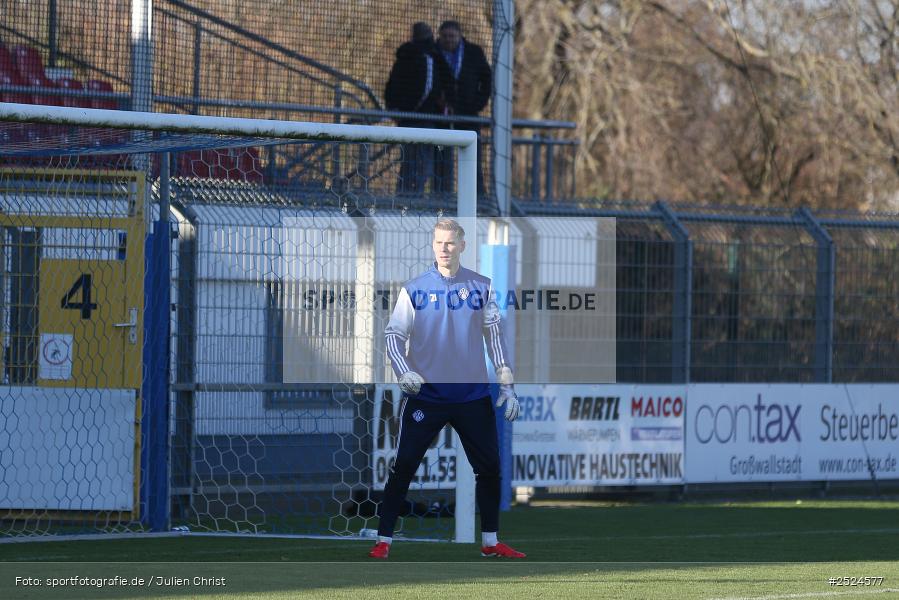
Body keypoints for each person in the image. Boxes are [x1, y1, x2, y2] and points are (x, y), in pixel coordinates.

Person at [368, 218, 525, 560]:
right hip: (428, 395)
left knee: (489, 468)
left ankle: (490, 543)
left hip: (472, 396)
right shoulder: (414, 288)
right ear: (433, 245)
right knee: (404, 465)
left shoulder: (481, 286)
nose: (443, 248)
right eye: (438, 242)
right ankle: (383, 541)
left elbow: (494, 336)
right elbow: (393, 336)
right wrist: (404, 370)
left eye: (450, 243)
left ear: (462, 245)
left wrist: (507, 384)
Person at [384, 22, 454, 194]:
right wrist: (412, 110)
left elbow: (391, 86)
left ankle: (404, 197)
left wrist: (395, 109)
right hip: (421, 118)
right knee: (420, 163)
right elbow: (426, 87)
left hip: (407, 118)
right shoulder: (427, 57)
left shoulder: (403, 56)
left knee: (409, 161)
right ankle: (413, 199)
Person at [435, 20, 492, 194]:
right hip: (441, 116)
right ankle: (441, 196)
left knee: (472, 159)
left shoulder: (474, 52)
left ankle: (478, 196)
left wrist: (477, 103)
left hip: (468, 115)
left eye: (452, 36)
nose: (448, 40)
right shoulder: (433, 53)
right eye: (444, 36)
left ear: (460, 36)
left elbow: (487, 80)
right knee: (440, 159)